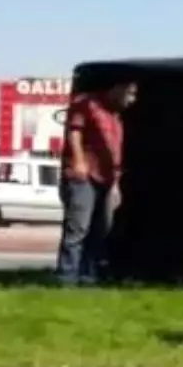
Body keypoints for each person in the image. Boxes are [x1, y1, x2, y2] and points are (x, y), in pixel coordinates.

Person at [56, 80, 136, 285]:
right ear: (117, 88)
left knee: (99, 230)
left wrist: (116, 184)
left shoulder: (115, 116)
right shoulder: (87, 104)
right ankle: (67, 277)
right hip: (85, 175)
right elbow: (75, 131)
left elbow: (115, 153)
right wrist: (79, 160)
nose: (132, 100)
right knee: (78, 228)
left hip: (106, 178)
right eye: (130, 93)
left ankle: (88, 275)